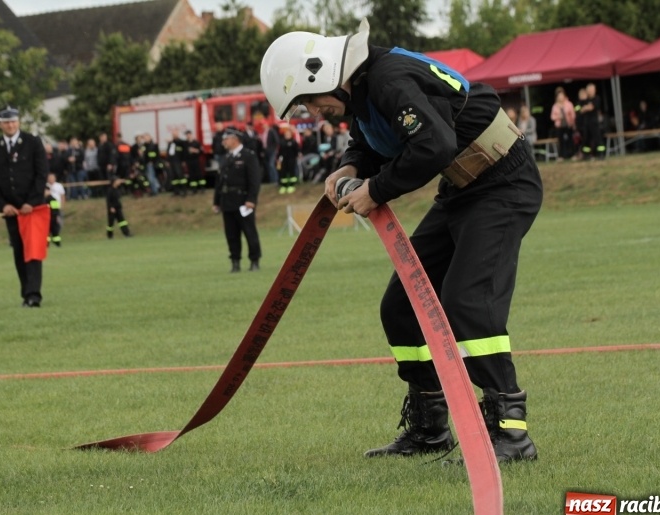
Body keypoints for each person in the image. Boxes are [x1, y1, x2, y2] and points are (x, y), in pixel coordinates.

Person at [261, 18, 542, 463]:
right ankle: (430, 428)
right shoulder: (365, 88)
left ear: (323, 76)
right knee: (401, 306)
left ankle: (511, 431)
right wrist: (352, 166)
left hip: (502, 184)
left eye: (308, 102)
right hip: (463, 189)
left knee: (468, 303)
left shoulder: (388, 79)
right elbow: (371, 138)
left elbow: (434, 145)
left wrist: (376, 190)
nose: (312, 114)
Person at [0, 106, 50, 308]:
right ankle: (26, 293)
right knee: (19, 251)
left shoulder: (32, 142)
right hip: (11, 211)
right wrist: (3, 205)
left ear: (19, 122)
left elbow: (42, 174)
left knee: (33, 250)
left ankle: (34, 295)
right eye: (6, 122)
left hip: (31, 209)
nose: (10, 125)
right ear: (0, 125)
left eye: (13, 121)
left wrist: (32, 201)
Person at [212, 127, 262, 273]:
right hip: (227, 200)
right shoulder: (226, 158)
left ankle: (254, 260)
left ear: (235, 140)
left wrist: (251, 199)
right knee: (231, 234)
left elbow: (254, 180)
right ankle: (235, 261)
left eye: (226, 139)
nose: (223, 142)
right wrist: (216, 201)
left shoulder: (248, 156)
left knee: (249, 232)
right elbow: (220, 182)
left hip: (243, 201)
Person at [579, 83, 605, 159]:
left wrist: (586, 108)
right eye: (590, 89)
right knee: (586, 139)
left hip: (594, 123)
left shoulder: (597, 98)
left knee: (597, 138)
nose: (591, 91)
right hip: (586, 123)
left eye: (593, 89)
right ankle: (586, 155)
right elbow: (580, 109)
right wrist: (585, 107)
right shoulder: (585, 100)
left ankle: (601, 154)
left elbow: (591, 108)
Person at [550, 87, 576, 160]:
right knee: (561, 141)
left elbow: (573, 114)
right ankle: (561, 156)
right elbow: (552, 117)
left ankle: (572, 154)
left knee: (570, 140)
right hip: (559, 126)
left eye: (562, 95)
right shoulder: (555, 106)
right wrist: (558, 117)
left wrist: (572, 123)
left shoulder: (569, 104)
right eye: (559, 96)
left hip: (568, 125)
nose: (560, 97)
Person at [277, 126, 300, 194]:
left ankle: (291, 185)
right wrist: (279, 159)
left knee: (291, 172)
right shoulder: (282, 142)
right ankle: (284, 186)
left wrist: (297, 156)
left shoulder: (294, 142)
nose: (287, 135)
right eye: (286, 134)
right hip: (284, 160)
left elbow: (297, 150)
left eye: (288, 134)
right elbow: (280, 152)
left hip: (291, 159)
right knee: (283, 173)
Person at [45, 173, 65, 247]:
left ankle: (56, 242)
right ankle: (46, 243)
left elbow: (55, 210)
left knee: (55, 229)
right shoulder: (43, 200)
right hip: (46, 217)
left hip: (52, 217)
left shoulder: (52, 199)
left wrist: (55, 216)